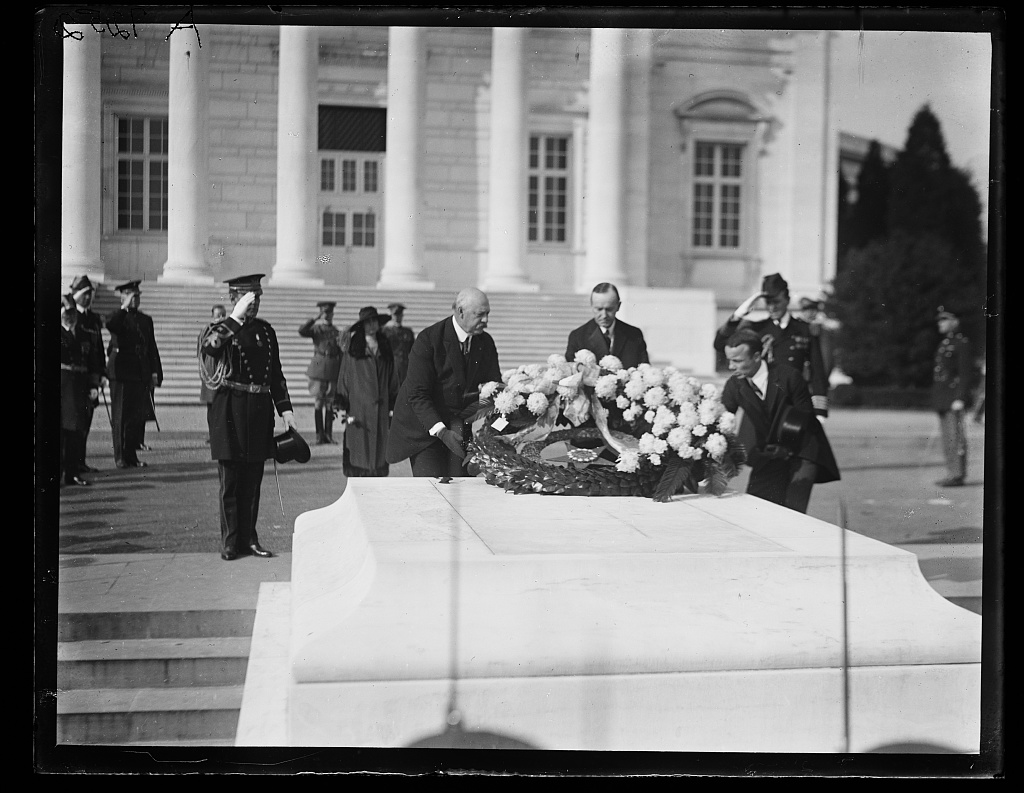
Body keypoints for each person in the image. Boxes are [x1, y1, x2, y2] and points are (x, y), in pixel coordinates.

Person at [199, 273, 298, 561]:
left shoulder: (267, 331)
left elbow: (275, 374)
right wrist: (234, 319)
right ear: (234, 299)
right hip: (229, 408)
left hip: (258, 411)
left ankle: (249, 538)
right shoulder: (220, 329)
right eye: (248, 299)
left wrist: (286, 410)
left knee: (253, 480)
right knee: (230, 479)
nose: (253, 305)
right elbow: (210, 349)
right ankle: (230, 540)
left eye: (257, 298)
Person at [386, 288, 502, 478]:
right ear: (460, 311)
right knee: (432, 489)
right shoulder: (428, 340)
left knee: (463, 489)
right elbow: (417, 394)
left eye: (488, 314)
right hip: (424, 428)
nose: (486, 321)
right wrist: (441, 432)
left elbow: (495, 389)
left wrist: (494, 431)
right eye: (480, 315)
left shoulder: (485, 342)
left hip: (458, 426)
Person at [721, 329, 840, 514]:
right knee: (756, 510)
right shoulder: (734, 385)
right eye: (729, 360)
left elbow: (804, 417)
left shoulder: (789, 376)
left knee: (792, 512)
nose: (730, 366)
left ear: (756, 356)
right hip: (770, 453)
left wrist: (785, 448)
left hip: (801, 450)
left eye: (737, 361)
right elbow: (722, 419)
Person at [714, 274, 830, 420]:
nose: (772, 307)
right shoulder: (757, 328)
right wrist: (737, 316)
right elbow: (720, 344)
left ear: (787, 300)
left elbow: (817, 372)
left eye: (776, 302)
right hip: (763, 402)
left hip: (793, 402)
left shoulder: (805, 330)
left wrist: (820, 412)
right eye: (768, 303)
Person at [334, 306, 399, 477]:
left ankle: (376, 474)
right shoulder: (354, 348)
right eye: (367, 322)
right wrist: (342, 398)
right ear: (362, 325)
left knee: (379, 447)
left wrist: (394, 398)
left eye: (374, 321)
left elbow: (393, 376)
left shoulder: (385, 347)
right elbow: (344, 373)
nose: (371, 325)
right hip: (359, 407)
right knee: (359, 448)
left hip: (381, 407)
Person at [106, 280, 163, 468]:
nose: (135, 300)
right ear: (123, 297)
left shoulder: (145, 319)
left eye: (137, 296)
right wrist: (123, 308)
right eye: (131, 296)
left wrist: (155, 373)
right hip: (122, 372)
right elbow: (111, 325)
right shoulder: (117, 317)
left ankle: (131, 456)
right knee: (120, 416)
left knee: (134, 417)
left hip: (140, 371)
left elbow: (151, 347)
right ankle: (120, 456)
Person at [61, 294, 103, 486]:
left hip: (79, 389)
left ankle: (72, 473)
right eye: (65, 312)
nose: (69, 316)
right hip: (61, 388)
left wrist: (94, 385)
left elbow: (93, 361)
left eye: (71, 312)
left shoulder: (85, 334)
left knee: (76, 432)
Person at [69, 275, 108, 472]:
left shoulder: (93, 319)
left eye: (89, 294)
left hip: (90, 378)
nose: (88, 298)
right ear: (76, 296)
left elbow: (98, 349)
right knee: (73, 423)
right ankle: (72, 463)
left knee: (85, 422)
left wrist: (102, 373)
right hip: (74, 379)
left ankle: (80, 462)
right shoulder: (70, 316)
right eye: (84, 294)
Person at [565, 282, 650, 368]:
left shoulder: (634, 335)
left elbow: (644, 370)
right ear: (591, 306)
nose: (604, 315)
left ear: (618, 306)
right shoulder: (578, 337)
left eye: (609, 309)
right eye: (599, 309)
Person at [932, 306, 971, 488]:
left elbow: (965, 374)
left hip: (953, 398)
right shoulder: (945, 344)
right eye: (940, 320)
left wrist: (960, 397)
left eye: (944, 320)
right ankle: (951, 473)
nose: (940, 323)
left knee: (955, 438)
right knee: (947, 438)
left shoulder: (961, 344)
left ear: (954, 322)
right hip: (943, 398)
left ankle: (957, 474)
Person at [298, 300, 343, 445]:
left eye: (329, 313)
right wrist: (314, 319)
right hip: (319, 366)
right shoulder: (317, 330)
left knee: (330, 402)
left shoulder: (336, 331)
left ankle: (328, 435)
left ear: (333, 314)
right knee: (318, 402)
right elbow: (302, 331)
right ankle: (319, 435)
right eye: (325, 313)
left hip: (332, 367)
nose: (327, 315)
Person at [199, 305, 228, 443]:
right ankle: (213, 434)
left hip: (224, 372)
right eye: (218, 315)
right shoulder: (206, 330)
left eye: (223, 315)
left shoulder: (229, 331)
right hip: (210, 372)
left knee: (224, 407)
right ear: (212, 316)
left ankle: (222, 434)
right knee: (211, 407)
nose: (220, 318)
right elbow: (201, 349)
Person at [382, 302, 415, 384]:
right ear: (391, 316)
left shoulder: (408, 332)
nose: (397, 318)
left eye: (399, 315)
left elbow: (412, 351)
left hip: (405, 367)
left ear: (402, 316)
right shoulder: (386, 332)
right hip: (391, 367)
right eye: (395, 315)